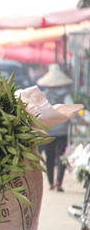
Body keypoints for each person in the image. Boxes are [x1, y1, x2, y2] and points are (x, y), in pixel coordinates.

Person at [37, 64, 74, 192]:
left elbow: (40, 112)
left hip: (49, 131)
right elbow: (70, 110)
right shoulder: (66, 95)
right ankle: (59, 182)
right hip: (63, 130)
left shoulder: (44, 95)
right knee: (62, 156)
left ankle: (51, 183)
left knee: (50, 157)